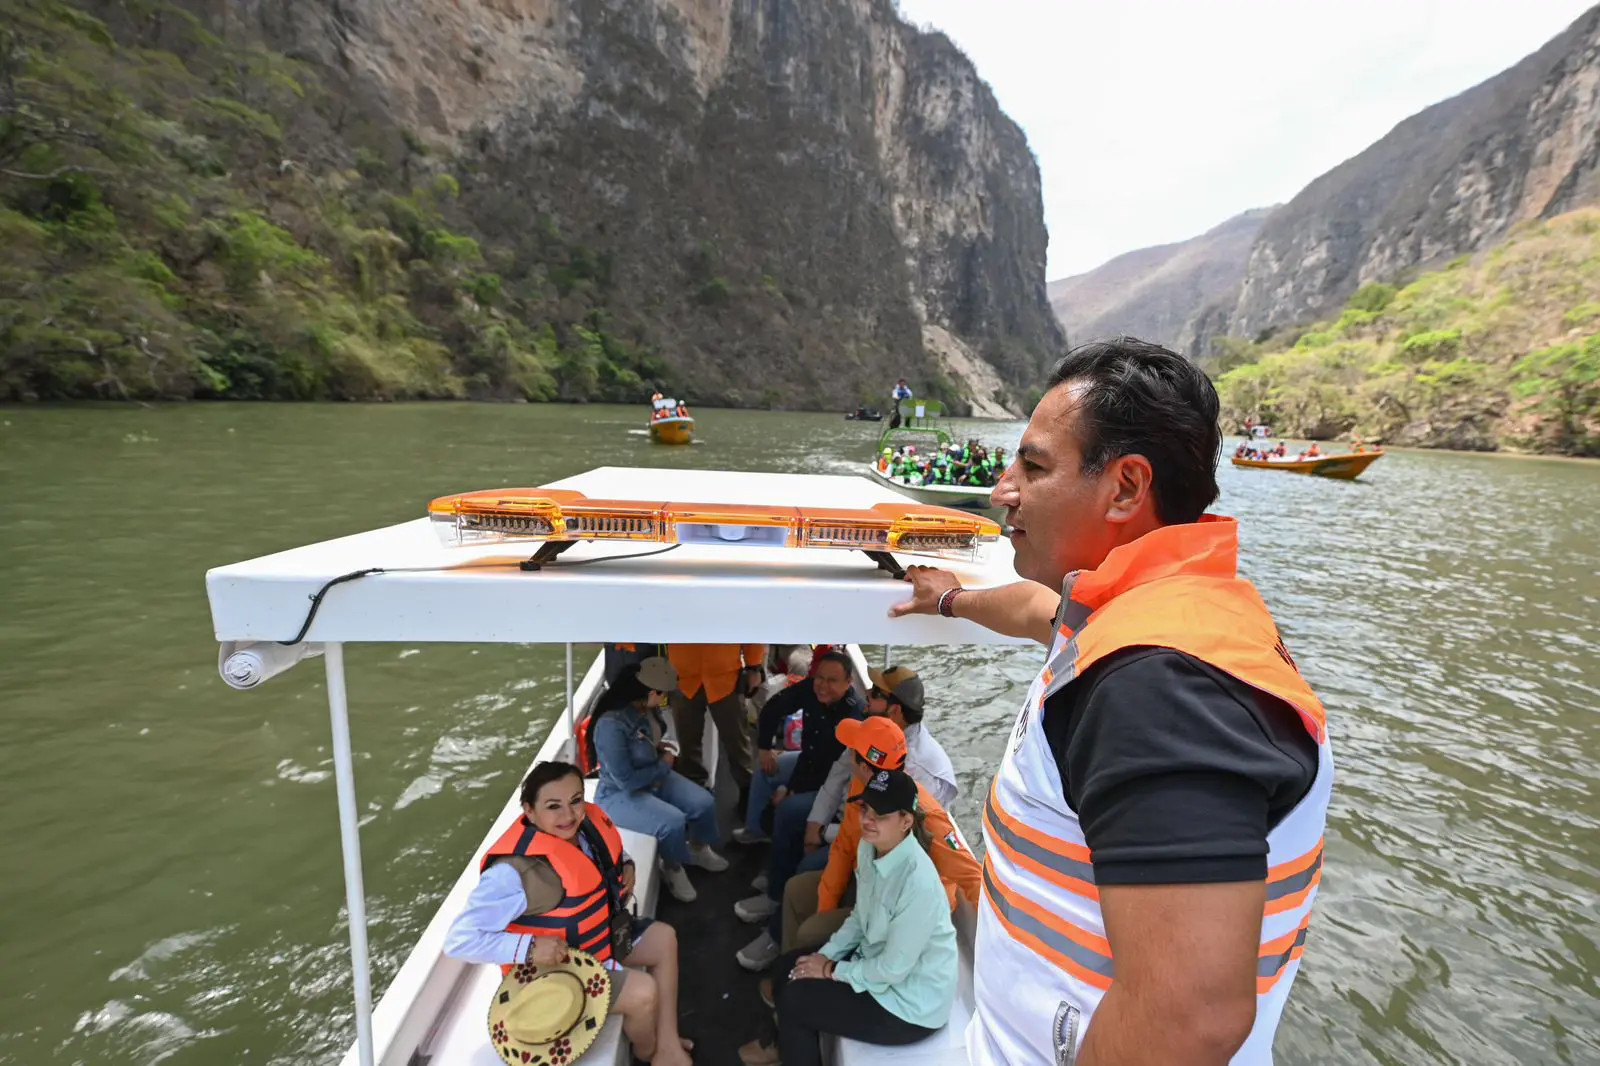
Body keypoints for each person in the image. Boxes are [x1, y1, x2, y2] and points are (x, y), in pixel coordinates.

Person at [892, 338, 1334, 1066]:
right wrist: (952, 598)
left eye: (1033, 467)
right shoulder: (1143, 608)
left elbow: (1187, 1019)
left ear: (1127, 487)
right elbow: (1040, 613)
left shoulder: (1159, 688)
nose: (1004, 489)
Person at [444, 761, 694, 1066]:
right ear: (529, 811)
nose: (568, 815)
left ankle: (668, 1045)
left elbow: (612, 852)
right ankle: (649, 1052)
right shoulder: (510, 874)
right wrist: (530, 948)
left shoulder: (586, 826)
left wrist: (626, 865)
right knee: (643, 993)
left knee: (664, 938)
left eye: (576, 800)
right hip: (557, 971)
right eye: (553, 806)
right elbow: (459, 940)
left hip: (598, 941)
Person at [737, 768, 958, 1066]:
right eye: (866, 808)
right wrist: (822, 957)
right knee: (787, 966)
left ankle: (788, 1048)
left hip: (909, 1004)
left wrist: (829, 969)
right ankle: (782, 1045)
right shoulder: (870, 847)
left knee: (796, 999)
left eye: (880, 815)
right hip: (876, 964)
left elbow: (892, 971)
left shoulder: (918, 885)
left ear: (906, 821)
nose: (867, 820)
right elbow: (859, 919)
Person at [774, 717, 980, 967]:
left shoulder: (925, 814)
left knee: (811, 932)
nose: (849, 755)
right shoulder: (860, 788)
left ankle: (802, 983)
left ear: (864, 766)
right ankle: (789, 974)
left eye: (852, 752)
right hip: (867, 887)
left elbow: (972, 878)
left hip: (900, 917)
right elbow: (844, 847)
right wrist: (826, 906)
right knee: (795, 890)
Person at [735, 651, 862, 928]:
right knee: (766, 771)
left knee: (789, 810)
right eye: (819, 678)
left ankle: (775, 892)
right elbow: (772, 709)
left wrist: (791, 790)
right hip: (809, 763)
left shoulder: (853, 716)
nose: (823, 685)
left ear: (849, 682)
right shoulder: (811, 689)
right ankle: (756, 834)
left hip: (832, 784)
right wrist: (765, 748)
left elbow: (834, 772)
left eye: (832, 680)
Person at [590, 658, 727, 903]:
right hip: (619, 793)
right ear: (651, 692)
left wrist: (660, 752)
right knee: (672, 821)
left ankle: (698, 849)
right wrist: (664, 765)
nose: (665, 699)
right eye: (663, 694)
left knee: (704, 802)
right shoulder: (611, 726)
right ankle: (672, 867)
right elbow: (626, 781)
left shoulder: (646, 709)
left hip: (654, 772)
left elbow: (650, 740)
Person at [666, 643, 765, 792]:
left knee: (737, 743)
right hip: (683, 676)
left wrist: (754, 666)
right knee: (687, 745)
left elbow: (749, 624)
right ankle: (695, 793)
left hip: (726, 678)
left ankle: (749, 793)